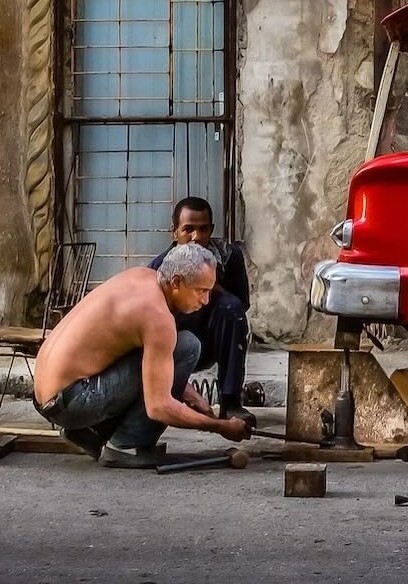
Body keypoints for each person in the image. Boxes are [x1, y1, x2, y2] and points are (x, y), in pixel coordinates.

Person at [33, 243, 251, 468]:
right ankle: (126, 446)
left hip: (51, 397)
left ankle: (91, 432)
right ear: (176, 282)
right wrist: (219, 427)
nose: (205, 301)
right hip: (72, 401)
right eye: (201, 291)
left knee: (172, 350)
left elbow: (150, 362)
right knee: (188, 346)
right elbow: (159, 406)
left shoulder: (141, 276)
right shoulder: (157, 318)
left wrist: (193, 397)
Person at [147, 197, 254, 424]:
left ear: (211, 230)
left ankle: (231, 401)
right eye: (188, 229)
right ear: (174, 232)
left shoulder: (227, 257)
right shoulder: (160, 268)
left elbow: (241, 306)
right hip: (176, 344)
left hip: (212, 338)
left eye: (203, 229)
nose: (196, 237)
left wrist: (212, 288)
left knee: (231, 308)